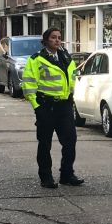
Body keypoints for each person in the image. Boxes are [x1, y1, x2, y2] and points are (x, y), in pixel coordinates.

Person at [21, 28, 84, 189]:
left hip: (64, 106)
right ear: (46, 41)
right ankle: (46, 177)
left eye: (59, 38)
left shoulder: (66, 57)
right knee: (45, 143)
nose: (57, 40)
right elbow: (28, 84)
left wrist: (71, 98)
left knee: (70, 141)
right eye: (53, 38)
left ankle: (67, 174)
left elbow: (71, 79)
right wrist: (37, 107)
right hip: (46, 106)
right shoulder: (36, 59)